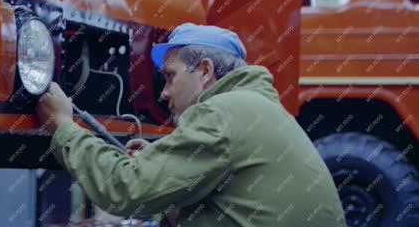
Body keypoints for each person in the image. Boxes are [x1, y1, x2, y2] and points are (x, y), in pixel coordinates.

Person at [37, 22, 346, 226]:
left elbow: (126, 190)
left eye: (170, 76)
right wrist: (163, 161)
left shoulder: (221, 112)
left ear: (205, 71)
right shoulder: (255, 107)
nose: (164, 93)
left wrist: (63, 126)